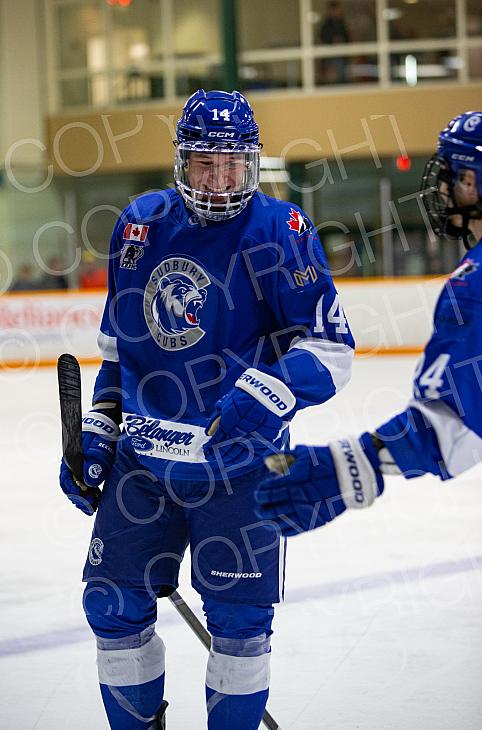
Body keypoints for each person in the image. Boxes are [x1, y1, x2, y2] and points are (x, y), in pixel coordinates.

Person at [59, 89, 355, 729]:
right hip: (144, 468)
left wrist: (268, 390)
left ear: (252, 165)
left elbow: (331, 351)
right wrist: (99, 431)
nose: (220, 181)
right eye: (205, 164)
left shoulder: (281, 232)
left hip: (239, 470)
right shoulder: (139, 226)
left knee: (240, 626)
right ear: (180, 163)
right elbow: (120, 356)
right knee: (110, 606)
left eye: (234, 165)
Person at [256, 111, 482, 537]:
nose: (442, 187)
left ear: (473, 181)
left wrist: (354, 461)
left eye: (452, 174)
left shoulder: (477, 282)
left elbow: (454, 423)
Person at [318, 0, 350, 84]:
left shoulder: (342, 23)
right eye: (335, 10)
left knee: (343, 79)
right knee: (334, 81)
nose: (337, 12)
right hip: (330, 58)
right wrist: (333, 41)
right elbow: (323, 38)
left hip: (342, 57)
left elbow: (348, 38)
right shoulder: (326, 25)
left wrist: (343, 41)